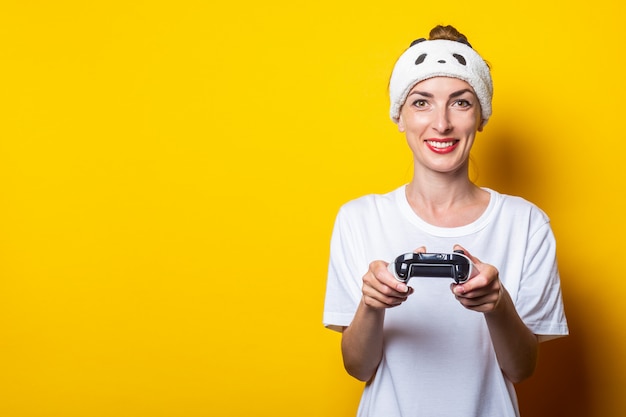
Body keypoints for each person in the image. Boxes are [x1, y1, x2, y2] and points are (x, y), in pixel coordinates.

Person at [323, 25, 568, 417]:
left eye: (461, 103)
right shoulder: (359, 219)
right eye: (421, 103)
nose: (441, 124)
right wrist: (371, 304)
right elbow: (358, 367)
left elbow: (521, 369)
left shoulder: (526, 224)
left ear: (482, 117)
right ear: (399, 116)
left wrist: (496, 304)